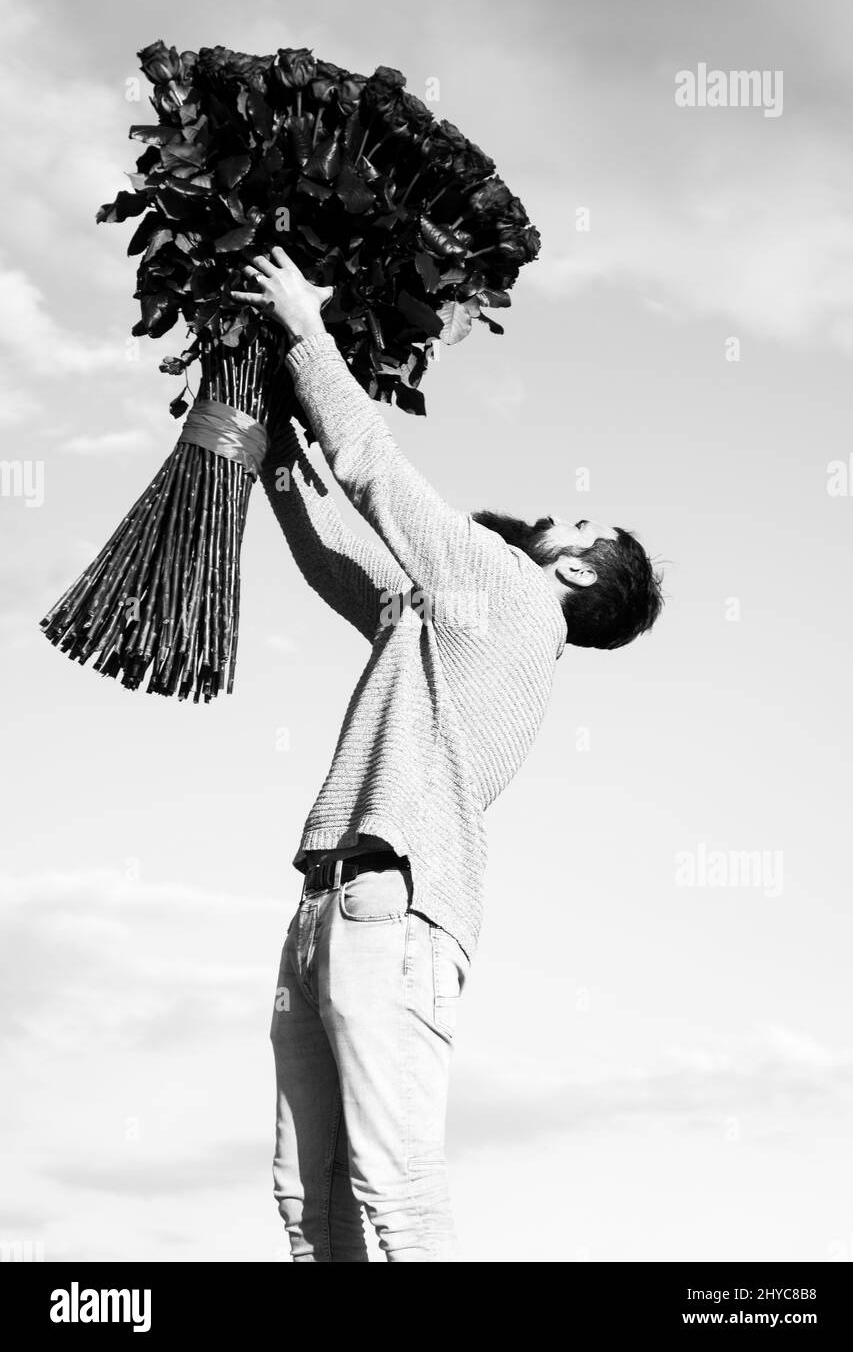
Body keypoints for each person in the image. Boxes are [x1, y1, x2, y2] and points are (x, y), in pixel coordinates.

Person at [231, 249, 664, 1262]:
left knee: (395, 1192)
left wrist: (302, 324)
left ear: (572, 568)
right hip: (330, 903)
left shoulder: (511, 595)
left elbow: (379, 471)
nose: (562, 510)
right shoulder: (460, 622)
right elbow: (354, 576)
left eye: (582, 521)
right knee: (312, 1202)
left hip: (395, 904)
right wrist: (276, 462)